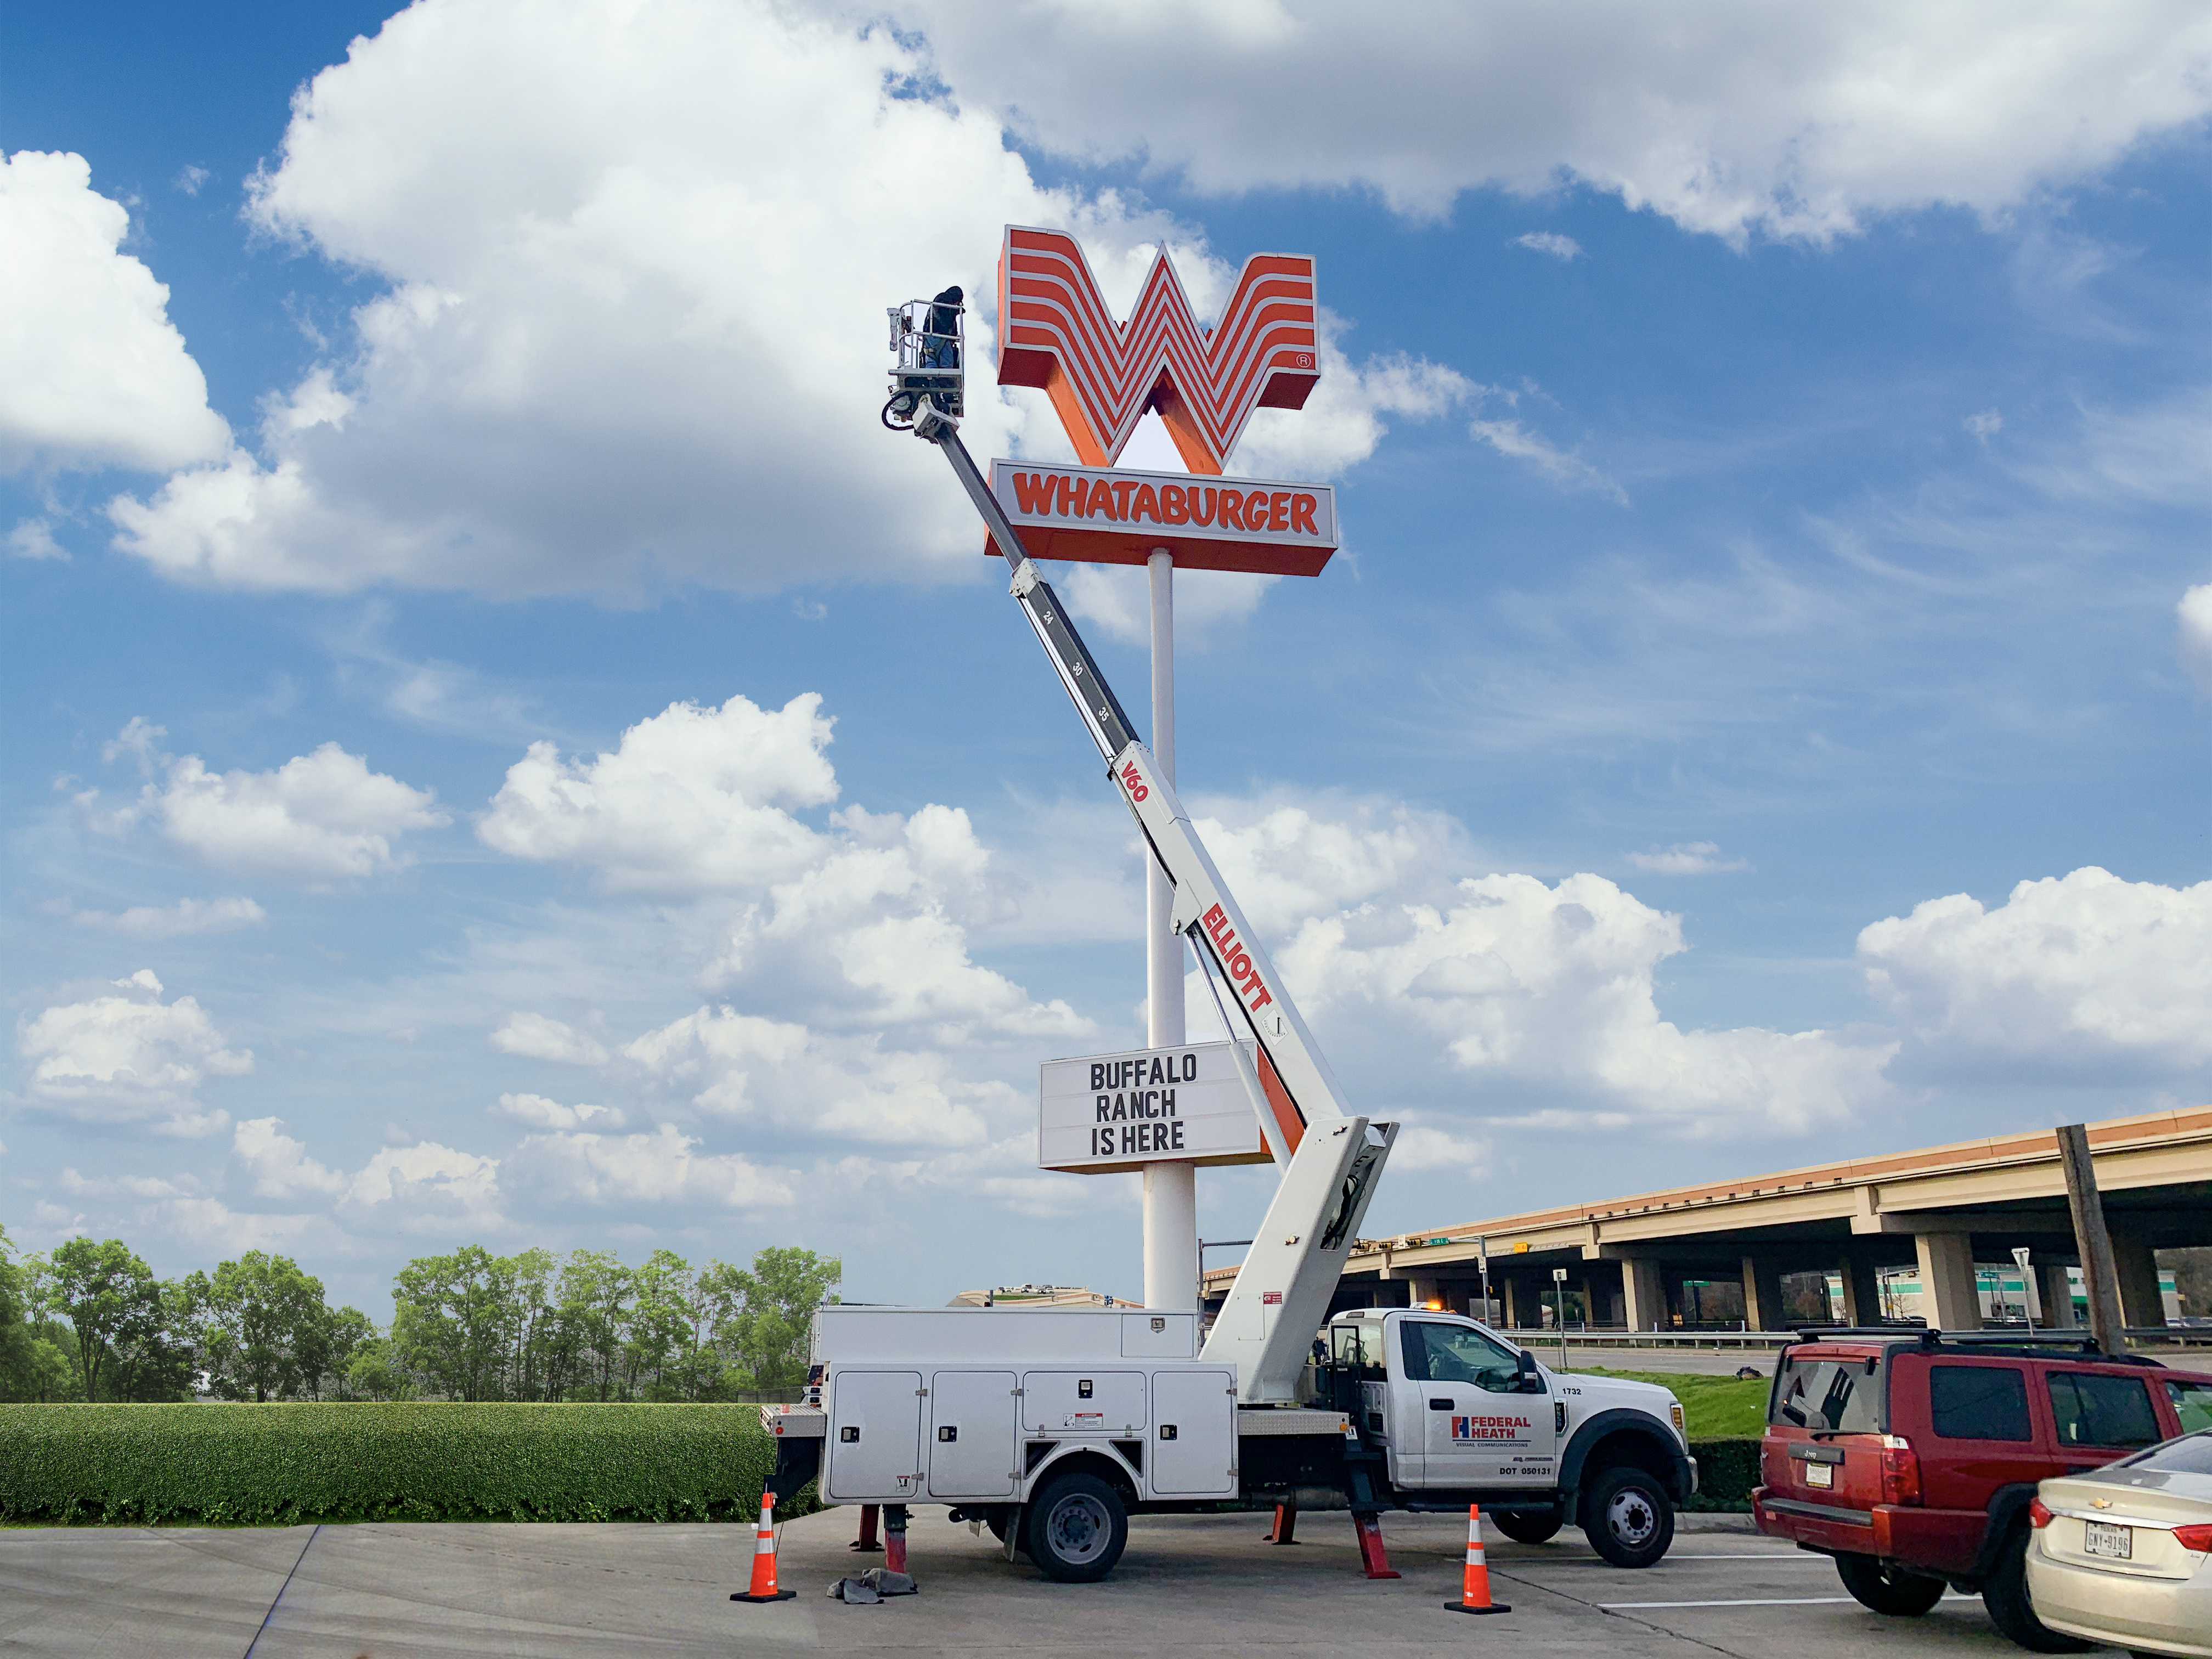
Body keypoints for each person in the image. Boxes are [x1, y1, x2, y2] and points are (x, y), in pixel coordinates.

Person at [924, 285, 962, 370]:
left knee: (931, 359)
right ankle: (944, 380)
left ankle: (931, 378)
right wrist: (954, 311)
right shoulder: (944, 299)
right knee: (947, 364)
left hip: (931, 336)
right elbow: (944, 318)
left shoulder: (941, 299)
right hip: (941, 336)